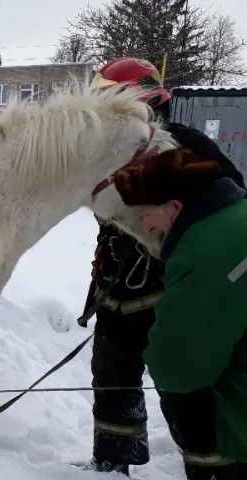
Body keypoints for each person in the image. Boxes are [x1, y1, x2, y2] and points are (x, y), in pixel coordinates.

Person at [80, 56, 246, 477]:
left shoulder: (184, 145)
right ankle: (114, 455)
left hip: (175, 285)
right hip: (120, 284)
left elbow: (224, 203)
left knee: (184, 381)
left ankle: (212, 465)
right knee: (112, 368)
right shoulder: (117, 153)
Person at [111, 147, 247, 480]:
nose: (147, 224)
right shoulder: (236, 218)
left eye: (147, 213)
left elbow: (179, 365)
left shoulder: (207, 251)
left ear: (175, 207)